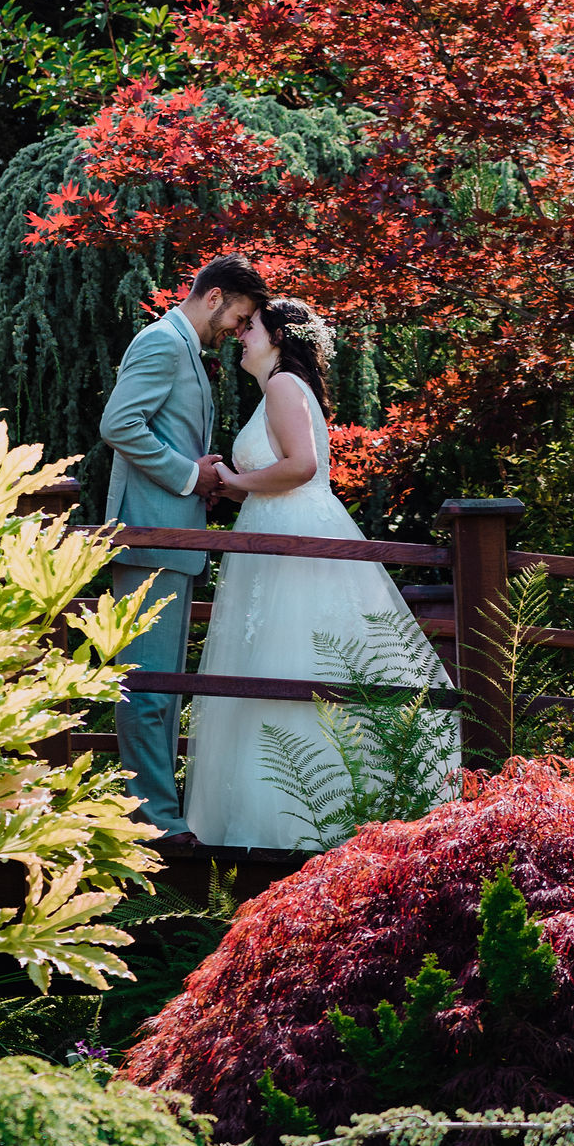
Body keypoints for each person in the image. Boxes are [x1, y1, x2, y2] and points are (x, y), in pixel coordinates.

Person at [183, 298, 459, 850]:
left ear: (280, 338)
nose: (241, 333)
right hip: (276, 531)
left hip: (293, 534)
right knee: (277, 659)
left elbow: (302, 465)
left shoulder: (284, 385)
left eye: (251, 326)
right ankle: (300, 810)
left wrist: (234, 482)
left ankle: (297, 824)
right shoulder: (278, 388)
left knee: (295, 656)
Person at [100, 253, 268, 849]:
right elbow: (119, 424)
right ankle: (150, 822)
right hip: (150, 539)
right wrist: (188, 478)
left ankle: (156, 815)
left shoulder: (184, 350)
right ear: (216, 295)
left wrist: (205, 481)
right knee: (146, 683)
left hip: (174, 536)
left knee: (162, 684)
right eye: (239, 316)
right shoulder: (163, 343)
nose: (236, 331)